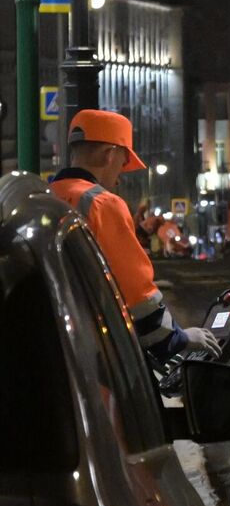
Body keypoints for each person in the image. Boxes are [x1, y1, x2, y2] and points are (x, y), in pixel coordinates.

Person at [51, 110, 214, 360]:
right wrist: (176, 338)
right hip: (91, 356)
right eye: (123, 162)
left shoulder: (43, 197)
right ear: (109, 154)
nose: (119, 178)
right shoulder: (103, 204)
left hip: (49, 343)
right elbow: (135, 292)